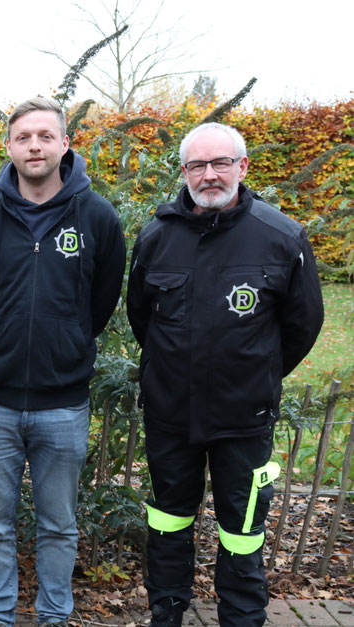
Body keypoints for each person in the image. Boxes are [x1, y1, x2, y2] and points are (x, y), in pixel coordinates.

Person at [126, 122, 324, 627]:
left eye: (220, 163)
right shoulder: (156, 237)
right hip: (171, 413)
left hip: (244, 416)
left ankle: (242, 617)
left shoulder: (281, 237)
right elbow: (142, 317)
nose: (209, 175)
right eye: (197, 165)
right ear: (184, 171)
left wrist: (255, 372)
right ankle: (167, 612)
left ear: (243, 166)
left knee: (242, 531)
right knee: (168, 520)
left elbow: (302, 325)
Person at [0, 97, 126, 627]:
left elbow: (100, 303)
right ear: (8, 146)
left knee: (58, 525)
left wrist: (68, 340)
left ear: (65, 144)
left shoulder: (97, 217)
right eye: (24, 137)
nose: (34, 146)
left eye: (45, 136)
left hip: (63, 403)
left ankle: (54, 616)